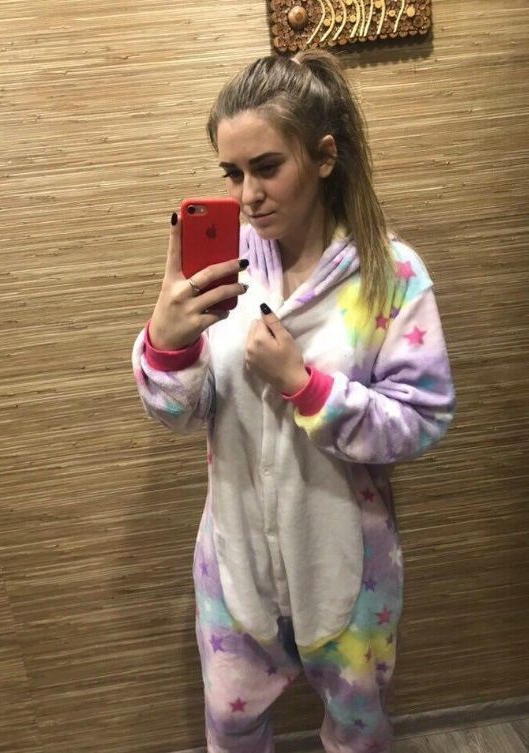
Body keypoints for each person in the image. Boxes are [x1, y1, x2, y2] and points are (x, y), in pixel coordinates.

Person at [131, 49, 455, 753]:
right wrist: (167, 346)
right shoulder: (222, 271)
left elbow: (423, 419)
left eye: (267, 167)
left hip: (350, 566)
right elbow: (178, 414)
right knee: (232, 728)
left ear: (324, 156)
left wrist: (305, 387)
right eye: (232, 173)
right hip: (235, 562)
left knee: (358, 731)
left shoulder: (391, 276)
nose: (248, 195)